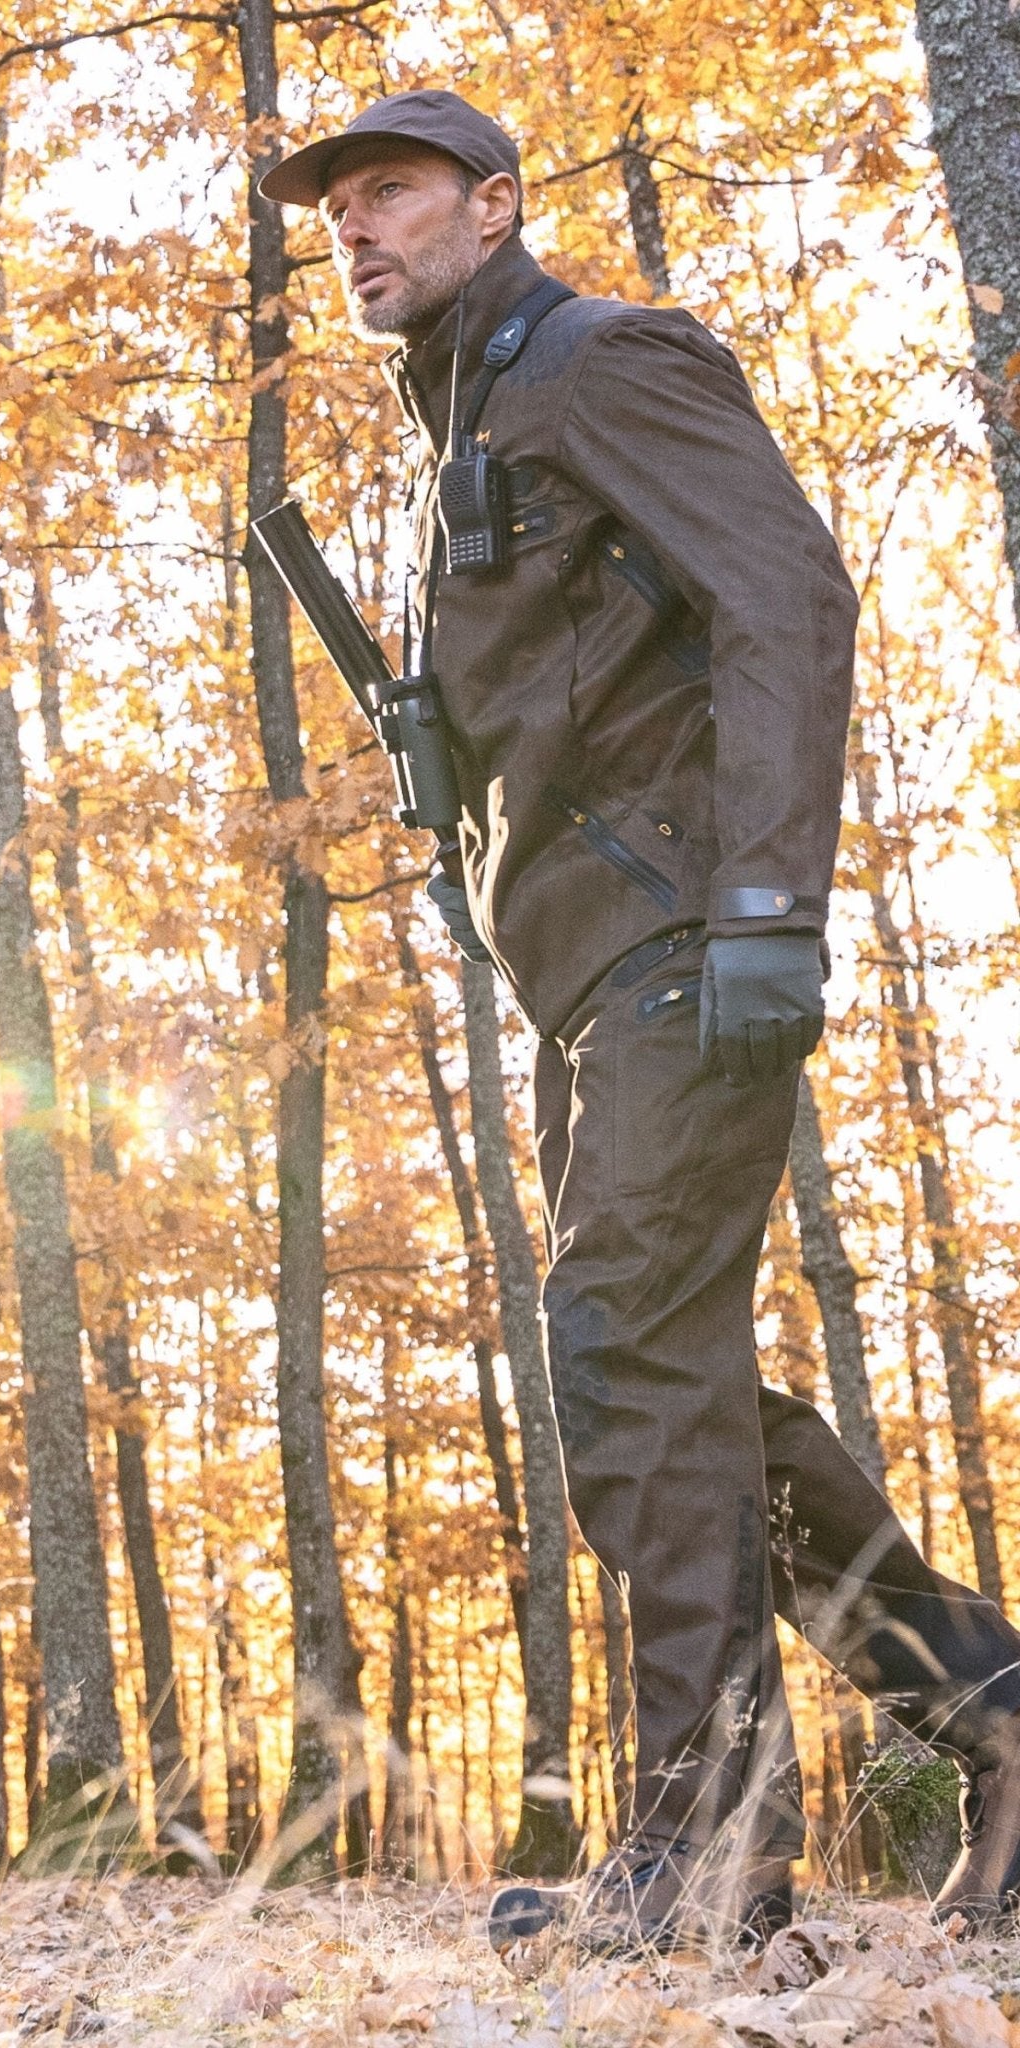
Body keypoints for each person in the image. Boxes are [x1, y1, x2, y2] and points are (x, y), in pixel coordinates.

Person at [258, 88, 1020, 1953]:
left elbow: (789, 593)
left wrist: (770, 903)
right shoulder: (474, 417)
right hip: (591, 973)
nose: (356, 232)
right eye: (337, 212)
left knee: (619, 1359)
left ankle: (706, 1852)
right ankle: (995, 1720)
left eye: (393, 197)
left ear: (494, 205)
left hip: (692, 945)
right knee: (671, 1385)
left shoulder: (599, 360)